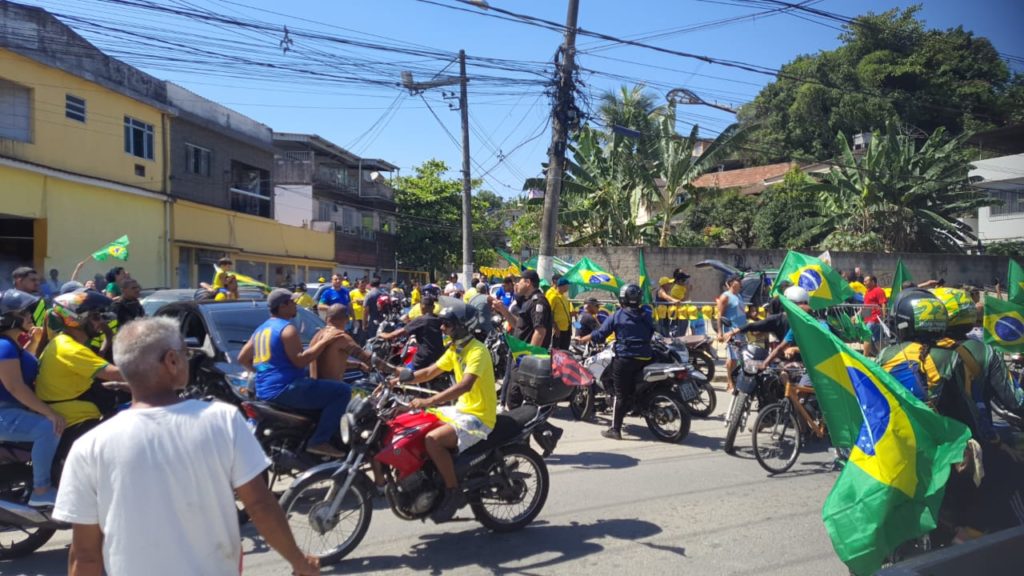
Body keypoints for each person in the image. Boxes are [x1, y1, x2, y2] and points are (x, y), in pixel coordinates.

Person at [52, 317, 320, 576]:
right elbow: (260, 505)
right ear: (171, 360)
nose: (187, 360)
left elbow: (85, 555)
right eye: (185, 353)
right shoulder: (221, 421)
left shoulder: (88, 446)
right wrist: (299, 561)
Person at [389, 302, 497, 523]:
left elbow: (463, 386)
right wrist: (395, 379)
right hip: (462, 410)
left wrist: (429, 400)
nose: (442, 328)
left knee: (433, 440)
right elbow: (429, 372)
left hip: (479, 416)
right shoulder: (456, 349)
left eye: (447, 324)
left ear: (462, 326)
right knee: (413, 424)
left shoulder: (477, 351)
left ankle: (452, 491)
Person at [238, 289, 349, 458]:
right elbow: (301, 360)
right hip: (286, 388)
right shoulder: (287, 329)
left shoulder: (261, 329)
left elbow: (243, 359)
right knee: (342, 391)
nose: (295, 305)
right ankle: (319, 441)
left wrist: (263, 373)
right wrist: (324, 342)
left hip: (262, 390)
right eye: (292, 302)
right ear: (282, 306)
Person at [0, 289, 65, 507]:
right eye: (24, 313)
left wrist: (35, 341)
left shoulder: (13, 346)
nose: (29, 316)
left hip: (11, 410)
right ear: (10, 317)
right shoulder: (4, 347)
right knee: (48, 427)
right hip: (4, 412)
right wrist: (49, 413)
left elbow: (27, 365)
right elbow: (16, 387)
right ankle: (41, 489)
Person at [576, 284, 656, 440]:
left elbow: (600, 334)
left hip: (625, 358)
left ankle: (615, 429)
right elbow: (653, 330)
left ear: (622, 299)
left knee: (620, 394)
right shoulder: (646, 314)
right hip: (646, 357)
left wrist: (584, 339)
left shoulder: (618, 315)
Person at [36, 290, 124, 427]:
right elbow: (117, 374)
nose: (101, 321)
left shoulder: (63, 341)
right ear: (76, 319)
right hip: (74, 421)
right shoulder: (70, 349)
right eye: (95, 316)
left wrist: (119, 385)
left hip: (77, 411)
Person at [756, 286, 829, 388]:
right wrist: (765, 363)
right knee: (781, 375)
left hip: (819, 367)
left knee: (802, 392)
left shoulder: (822, 326)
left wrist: (795, 349)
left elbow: (821, 349)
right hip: (800, 365)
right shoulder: (796, 327)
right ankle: (790, 401)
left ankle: (797, 401)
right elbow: (780, 347)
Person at [310, 304, 393, 380]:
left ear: (326, 318)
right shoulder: (340, 336)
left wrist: (358, 365)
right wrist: (394, 370)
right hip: (331, 389)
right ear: (346, 319)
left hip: (315, 387)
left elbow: (331, 364)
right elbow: (367, 358)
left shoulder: (317, 336)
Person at [380, 294, 445, 370]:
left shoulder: (421, 320)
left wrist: (385, 335)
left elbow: (400, 332)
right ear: (433, 307)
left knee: (404, 372)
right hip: (440, 356)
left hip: (424, 357)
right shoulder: (439, 319)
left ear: (421, 307)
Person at [716, 276, 748, 393]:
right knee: (732, 359)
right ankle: (730, 383)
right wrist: (720, 332)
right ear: (731, 283)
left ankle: (735, 381)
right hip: (731, 331)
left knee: (740, 358)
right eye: (738, 281)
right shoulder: (725, 296)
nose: (740, 283)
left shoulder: (739, 296)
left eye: (740, 281)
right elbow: (720, 315)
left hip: (741, 330)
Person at [861, 274, 887, 356]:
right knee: (877, 340)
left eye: (866, 281)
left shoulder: (878, 290)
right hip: (869, 319)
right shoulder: (867, 292)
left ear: (872, 282)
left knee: (866, 336)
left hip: (875, 319)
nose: (864, 282)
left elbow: (883, 304)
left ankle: (864, 357)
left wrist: (883, 316)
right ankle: (885, 356)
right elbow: (866, 306)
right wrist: (859, 316)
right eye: (864, 281)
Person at [547, 277, 572, 350]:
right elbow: (550, 312)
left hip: (566, 327)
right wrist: (555, 326)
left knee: (565, 349)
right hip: (558, 329)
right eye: (566, 286)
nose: (567, 288)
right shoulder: (553, 297)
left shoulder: (564, 297)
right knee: (557, 350)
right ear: (561, 286)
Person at [668, 269, 691, 336]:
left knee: (682, 331)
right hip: (678, 314)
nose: (685, 282)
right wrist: (688, 289)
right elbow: (683, 299)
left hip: (682, 313)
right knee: (678, 333)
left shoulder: (681, 288)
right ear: (678, 281)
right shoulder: (676, 288)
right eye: (683, 280)